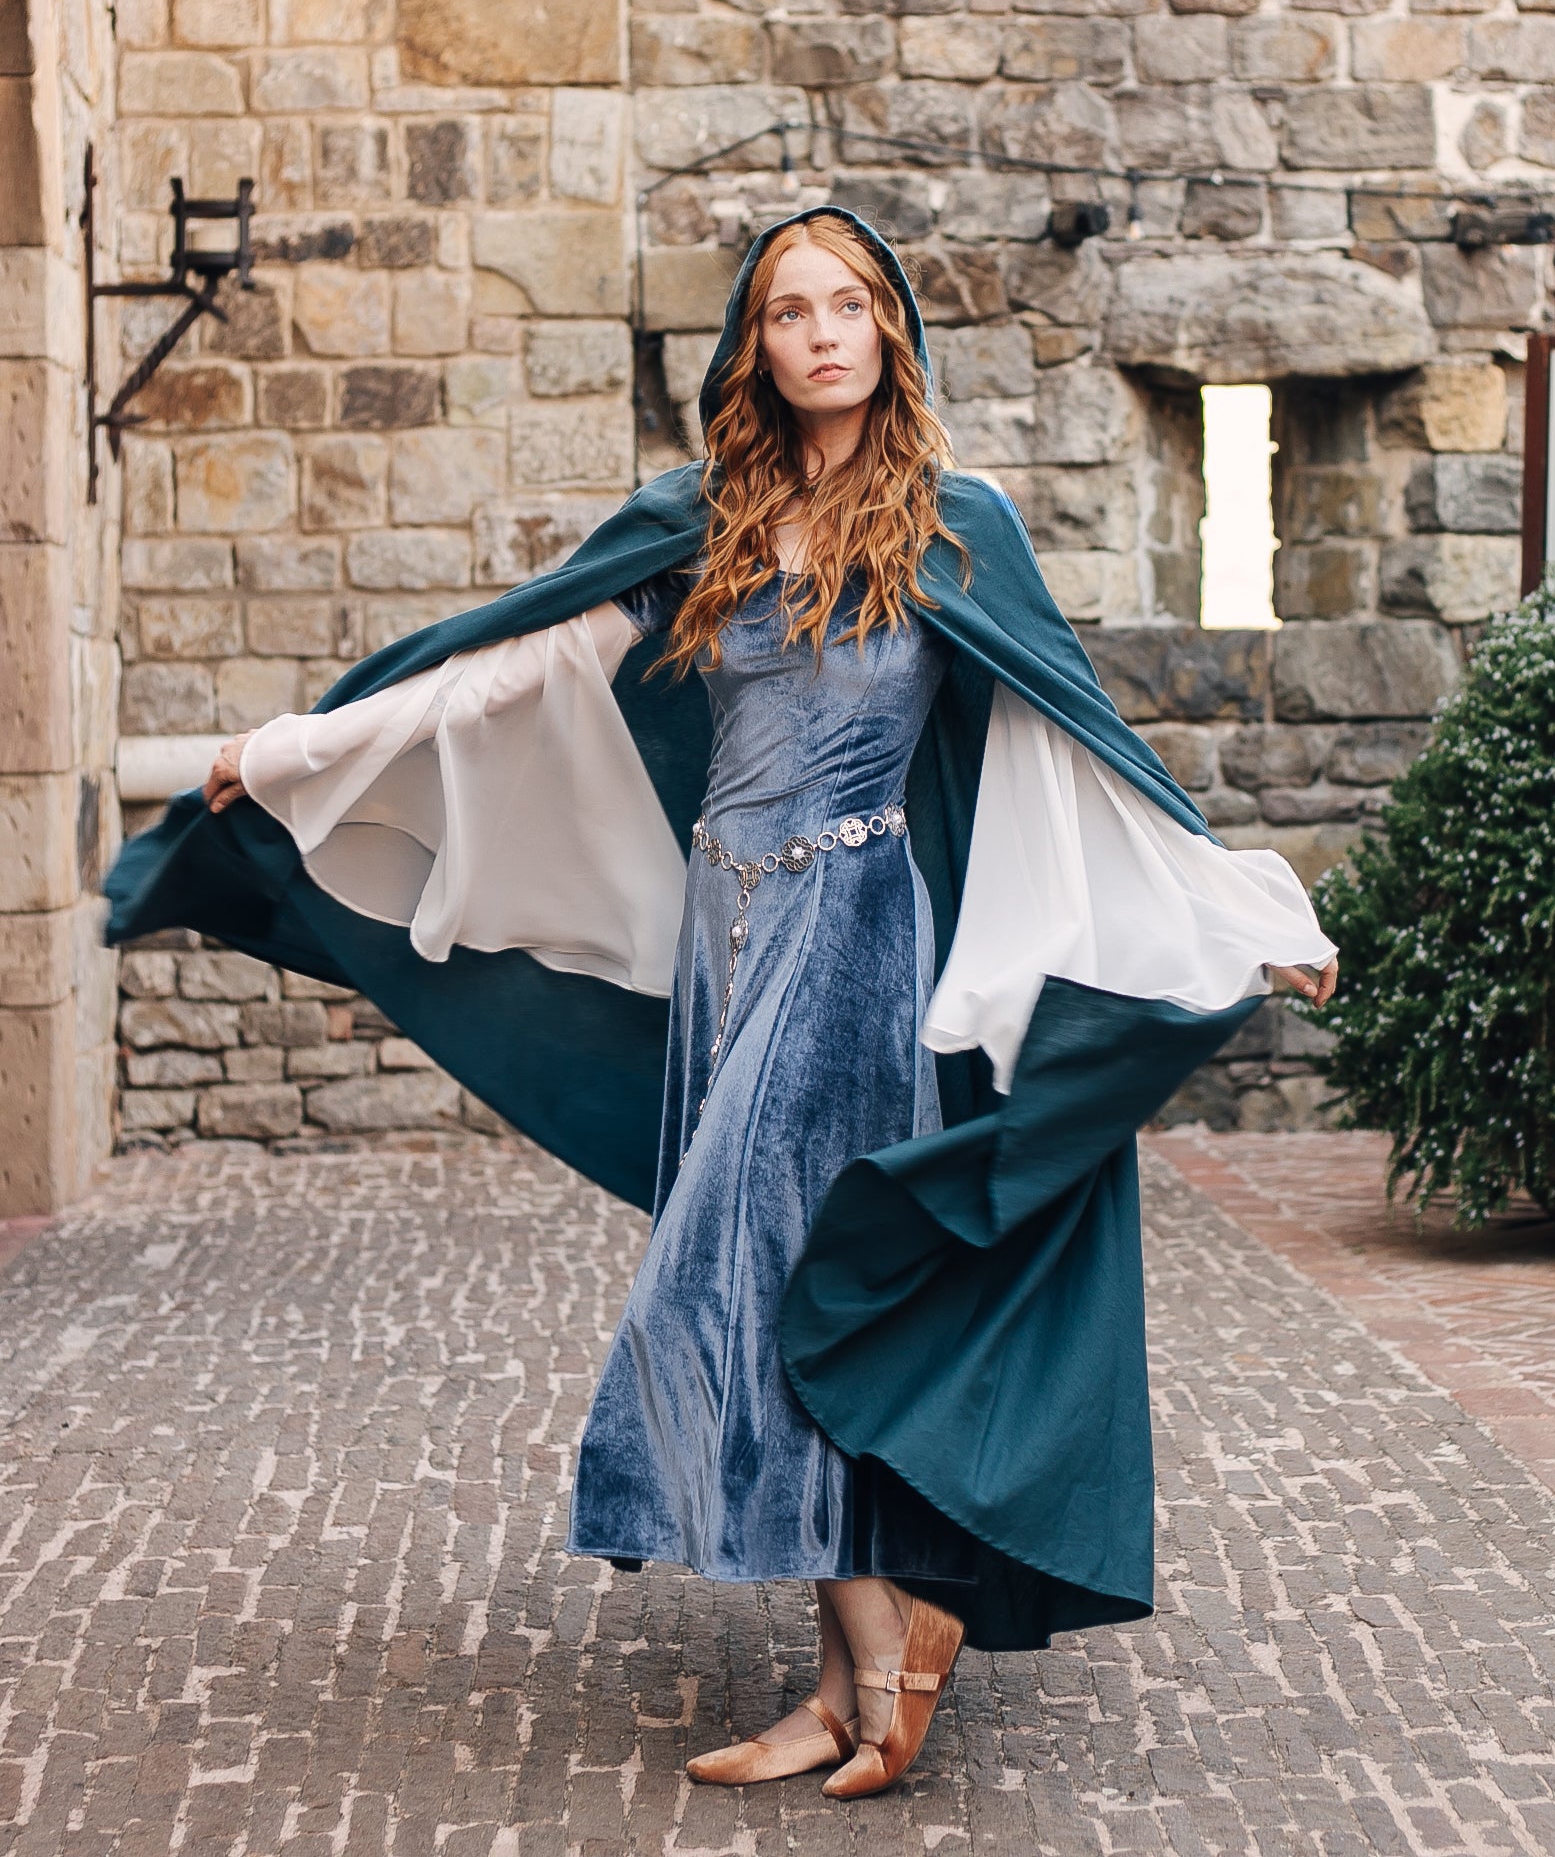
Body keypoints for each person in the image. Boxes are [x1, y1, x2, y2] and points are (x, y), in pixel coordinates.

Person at [112, 207, 1337, 1801]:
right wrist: (292, 752)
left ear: (890, 330)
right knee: (778, 1286)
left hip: (857, 940)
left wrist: (1243, 911)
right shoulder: (705, 519)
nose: (822, 335)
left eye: (848, 307)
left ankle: (889, 1640)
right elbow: (510, 667)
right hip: (726, 942)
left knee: (719, 1290)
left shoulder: (954, 523)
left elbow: (1074, 746)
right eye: (788, 312)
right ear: (752, 346)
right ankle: (840, 1691)